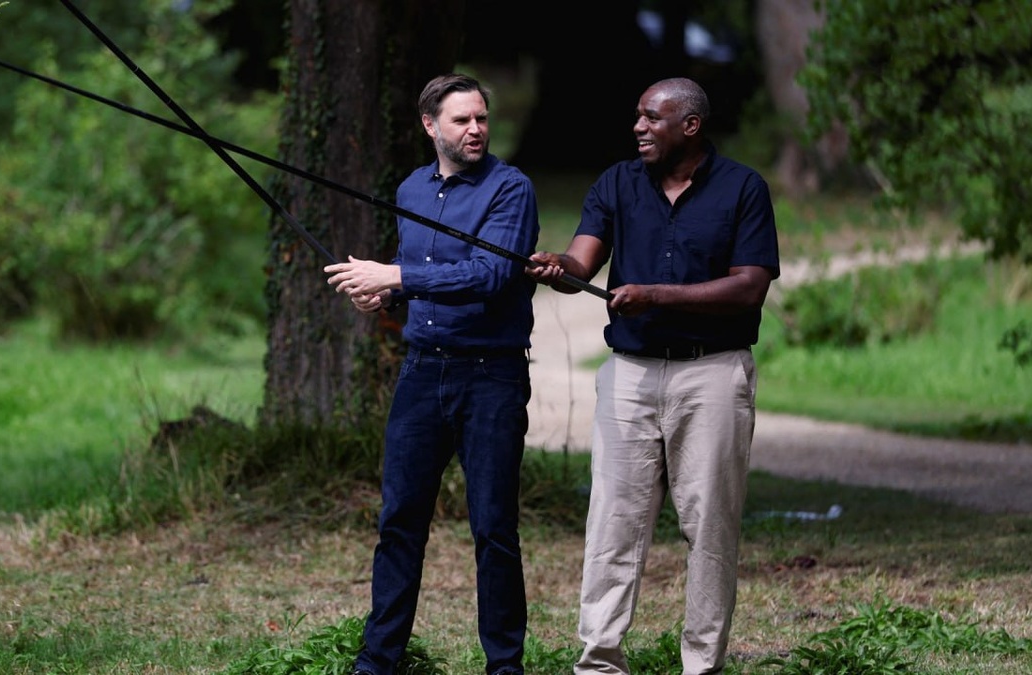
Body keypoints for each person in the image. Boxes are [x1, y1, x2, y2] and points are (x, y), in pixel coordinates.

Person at [526, 77, 780, 675]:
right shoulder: (616, 183)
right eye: (637, 116)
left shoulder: (743, 188)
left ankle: (701, 665)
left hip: (713, 374)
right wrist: (558, 265)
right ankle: (599, 663)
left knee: (710, 527)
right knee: (613, 523)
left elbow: (750, 286)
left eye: (651, 117)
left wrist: (656, 295)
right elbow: (581, 262)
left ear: (690, 126)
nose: (638, 126)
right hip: (629, 376)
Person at [323, 73, 539, 675]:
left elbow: (489, 275)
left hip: (490, 376)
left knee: (493, 528)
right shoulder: (412, 189)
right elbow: (417, 268)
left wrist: (396, 277)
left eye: (481, 118)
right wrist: (385, 293)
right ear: (430, 125)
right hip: (421, 374)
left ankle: (505, 666)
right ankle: (379, 660)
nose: (475, 129)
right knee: (399, 521)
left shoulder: (510, 189)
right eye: (461, 120)